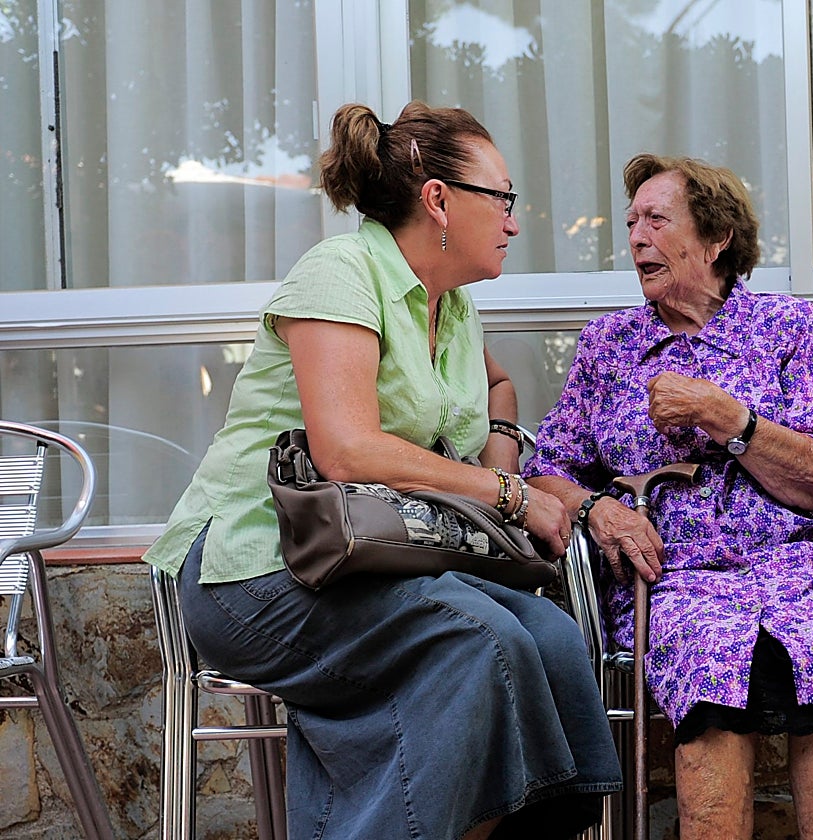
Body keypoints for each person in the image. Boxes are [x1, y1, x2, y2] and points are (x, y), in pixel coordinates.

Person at [142, 100, 621, 840]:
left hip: (369, 567)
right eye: (504, 199)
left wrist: (497, 460)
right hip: (254, 572)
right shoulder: (342, 272)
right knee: (476, 643)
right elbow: (347, 450)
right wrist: (511, 494)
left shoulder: (454, 308)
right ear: (439, 200)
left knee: (552, 641)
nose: (515, 223)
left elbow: (497, 387)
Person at [525, 153, 813, 839]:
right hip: (674, 577)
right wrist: (598, 508)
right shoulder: (610, 344)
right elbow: (546, 468)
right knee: (708, 649)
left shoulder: (787, 327)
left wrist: (729, 418)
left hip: (799, 565)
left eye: (657, 220)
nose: (636, 238)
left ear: (717, 240)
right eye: (631, 223)